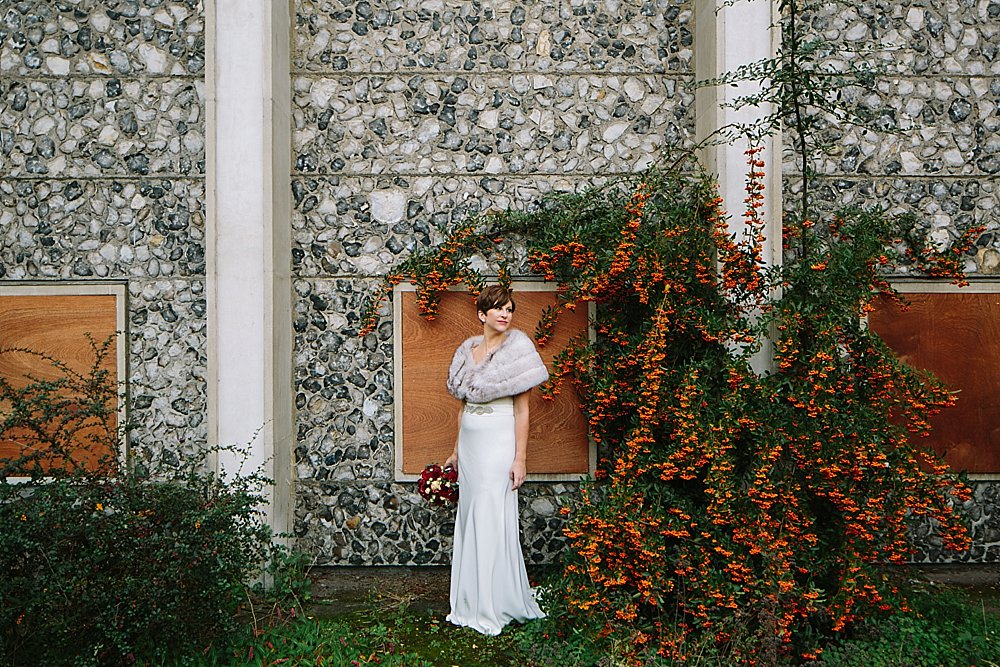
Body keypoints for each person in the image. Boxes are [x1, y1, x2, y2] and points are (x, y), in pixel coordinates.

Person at [443, 284, 548, 635]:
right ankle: (470, 600)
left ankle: (494, 604)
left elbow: (523, 411)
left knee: (491, 515)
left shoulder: (519, 351)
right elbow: (461, 407)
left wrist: (520, 458)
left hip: (498, 441)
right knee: (472, 514)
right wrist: (457, 451)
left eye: (509, 309)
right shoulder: (466, 351)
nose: (505, 314)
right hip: (471, 445)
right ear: (482, 314)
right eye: (498, 308)